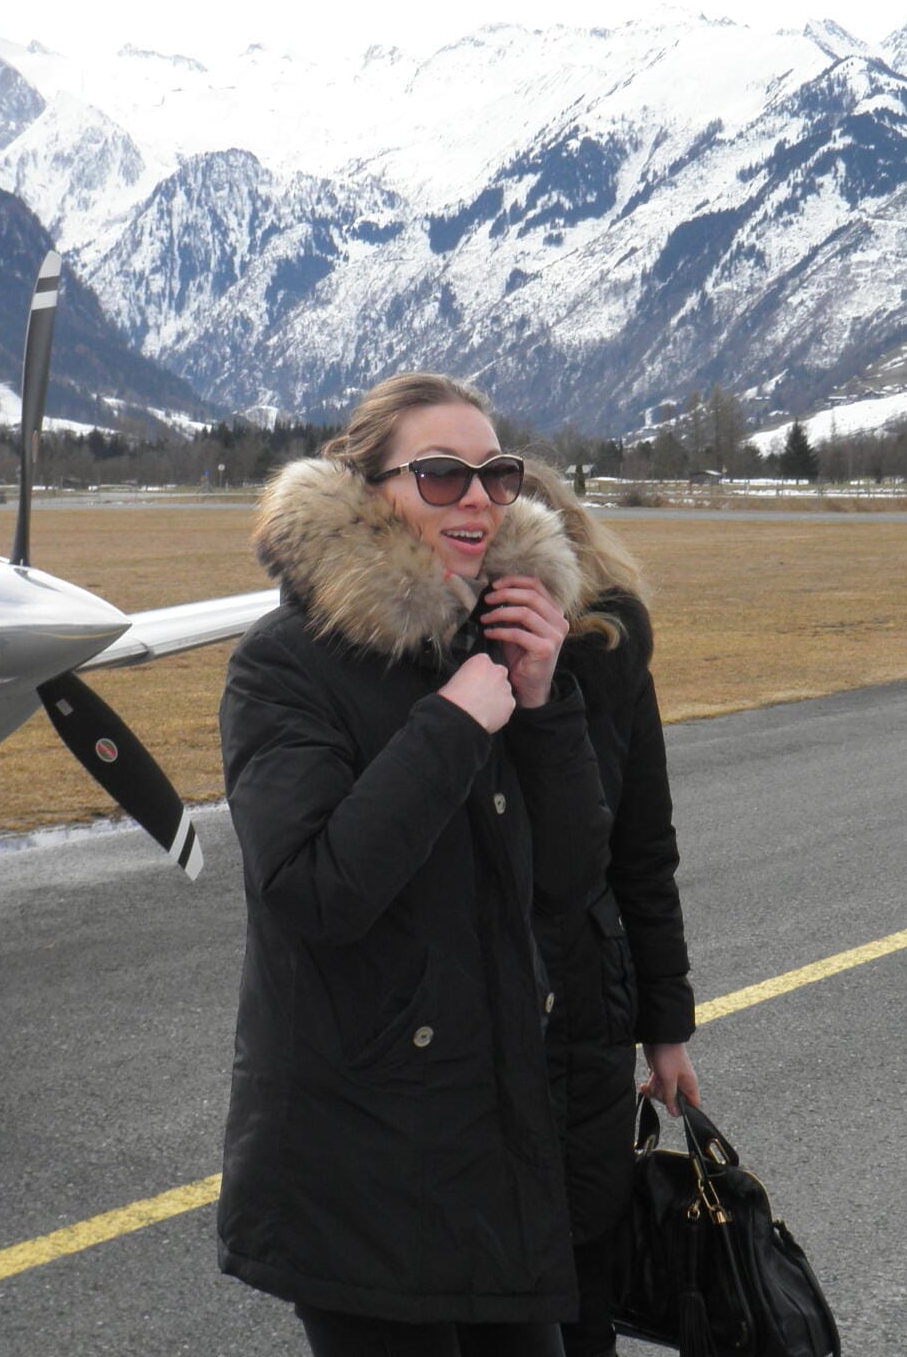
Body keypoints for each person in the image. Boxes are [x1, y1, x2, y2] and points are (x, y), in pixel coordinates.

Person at [218, 373, 612, 1357]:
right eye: (440, 475)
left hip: (491, 1148)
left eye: (495, 474)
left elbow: (568, 881)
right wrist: (451, 724)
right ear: (369, 494)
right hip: (358, 1164)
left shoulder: (495, 642)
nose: (477, 497)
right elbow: (311, 891)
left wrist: (544, 699)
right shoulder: (284, 668)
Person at [520, 459, 700, 1357]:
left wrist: (667, 1028)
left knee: (581, 1262)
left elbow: (642, 854)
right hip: (538, 1002)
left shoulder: (612, 654)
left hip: (587, 1006)